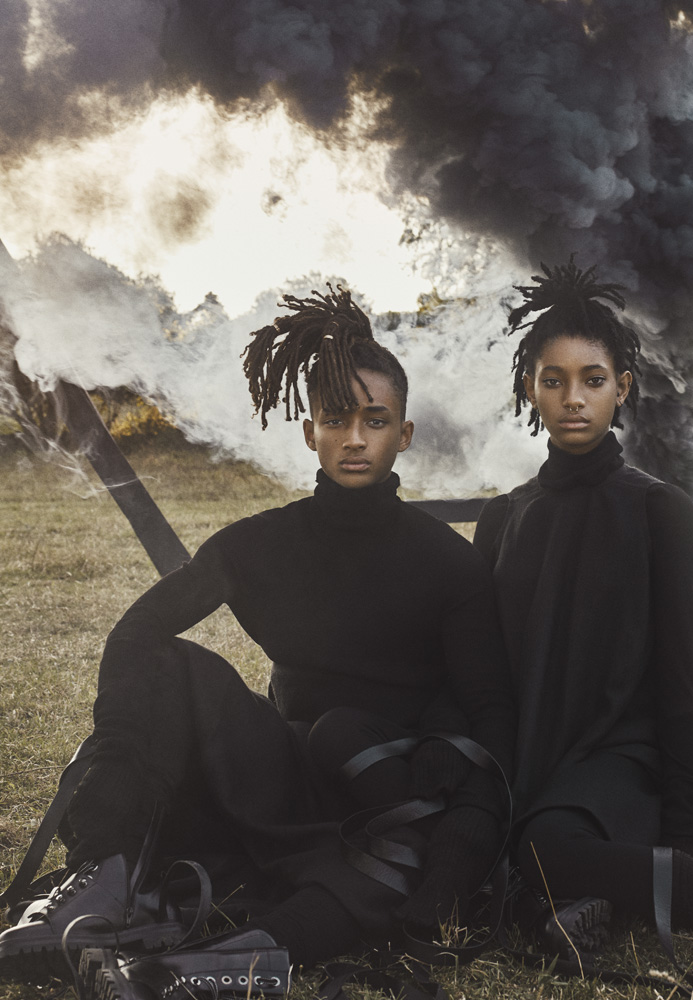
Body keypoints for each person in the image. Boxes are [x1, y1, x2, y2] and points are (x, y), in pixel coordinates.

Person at [0, 285, 513, 985]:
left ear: (404, 433)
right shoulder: (258, 543)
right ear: (309, 431)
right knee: (162, 659)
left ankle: (196, 965)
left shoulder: (449, 563)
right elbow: (136, 633)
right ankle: (105, 881)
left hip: (382, 796)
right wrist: (115, 782)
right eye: (336, 418)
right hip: (279, 771)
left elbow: (492, 718)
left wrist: (459, 846)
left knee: (361, 880)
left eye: (375, 420)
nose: (354, 438)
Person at [473, 259, 693, 953]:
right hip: (532, 756)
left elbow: (684, 679)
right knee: (491, 850)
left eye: (593, 380)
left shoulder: (658, 510)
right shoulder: (502, 518)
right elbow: (490, 674)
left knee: (543, 849)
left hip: (624, 758)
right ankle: (593, 895)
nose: (573, 398)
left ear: (622, 388)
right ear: (529, 388)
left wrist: (683, 835)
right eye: (554, 381)